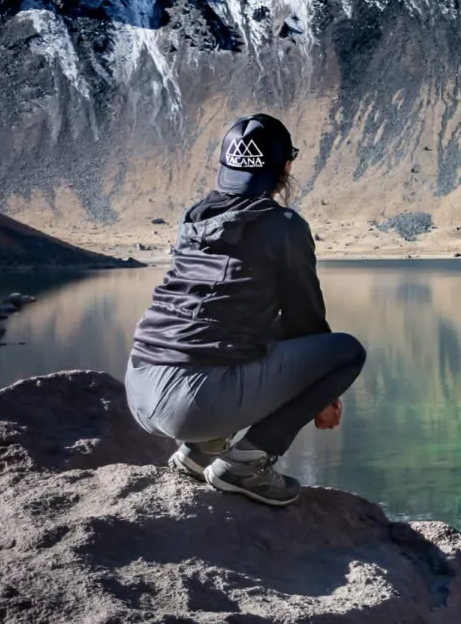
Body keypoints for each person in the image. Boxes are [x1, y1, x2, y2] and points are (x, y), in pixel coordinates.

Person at [123, 113, 366, 507]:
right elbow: (306, 319)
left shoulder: (195, 217)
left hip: (138, 387)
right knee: (346, 353)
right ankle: (245, 465)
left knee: (250, 331)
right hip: (191, 403)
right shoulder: (284, 226)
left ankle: (199, 452)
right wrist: (323, 394)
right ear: (285, 167)